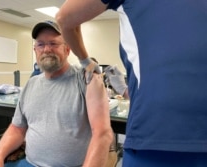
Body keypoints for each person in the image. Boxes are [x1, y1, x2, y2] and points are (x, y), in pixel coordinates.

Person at [56, 1, 207, 167]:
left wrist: (86, 61)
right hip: (155, 140)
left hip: (154, 138)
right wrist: (125, 90)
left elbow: (65, 18)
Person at [0, 20, 113, 167]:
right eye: (41, 44)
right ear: (35, 50)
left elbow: (102, 133)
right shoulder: (31, 84)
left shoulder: (85, 79)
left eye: (53, 43)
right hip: (29, 163)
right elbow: (17, 128)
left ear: (67, 49)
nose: (46, 49)